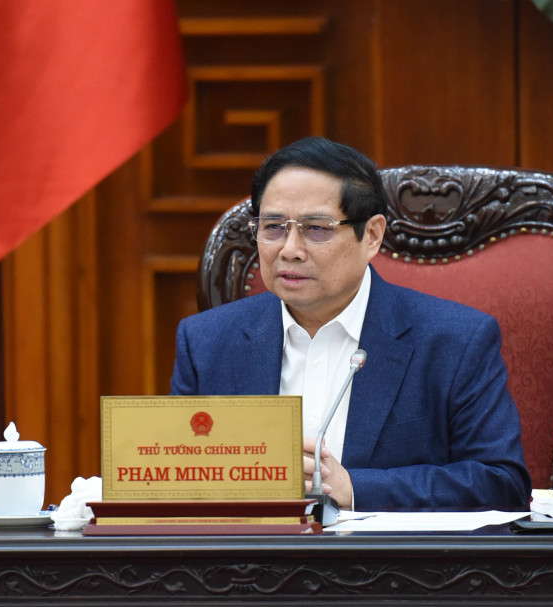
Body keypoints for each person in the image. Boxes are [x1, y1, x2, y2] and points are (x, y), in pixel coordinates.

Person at [171, 136, 531, 511]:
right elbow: (179, 477)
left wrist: (353, 487)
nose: (289, 249)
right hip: (249, 565)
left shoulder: (455, 341)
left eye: (317, 228)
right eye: (274, 226)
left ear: (372, 235)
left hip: (392, 567)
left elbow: (501, 483)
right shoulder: (206, 341)